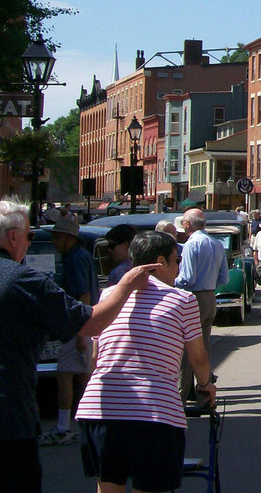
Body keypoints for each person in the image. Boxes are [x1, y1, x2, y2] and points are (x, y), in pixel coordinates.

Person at [0, 198, 155, 493]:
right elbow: (92, 322)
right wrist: (125, 285)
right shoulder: (23, 279)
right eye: (31, 236)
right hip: (10, 421)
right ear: (13, 237)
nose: (31, 244)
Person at [76, 230, 216, 493]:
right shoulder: (182, 300)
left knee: (107, 488)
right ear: (161, 262)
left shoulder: (109, 296)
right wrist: (206, 386)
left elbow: (96, 357)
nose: (178, 268)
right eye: (176, 261)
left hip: (100, 408)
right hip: (153, 411)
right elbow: (198, 358)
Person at [41, 217, 100, 446]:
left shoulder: (74, 259)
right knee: (84, 376)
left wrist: (78, 334)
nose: (54, 241)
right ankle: (88, 423)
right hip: (86, 323)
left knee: (65, 375)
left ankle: (64, 427)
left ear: (68, 238)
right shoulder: (81, 256)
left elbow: (82, 295)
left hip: (77, 324)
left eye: (57, 237)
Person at [173, 208, 227, 401]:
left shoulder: (191, 244)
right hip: (210, 296)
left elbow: (187, 278)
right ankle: (203, 389)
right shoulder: (216, 244)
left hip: (193, 296)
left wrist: (171, 281)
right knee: (204, 345)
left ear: (188, 224)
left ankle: (183, 391)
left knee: (188, 346)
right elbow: (224, 277)